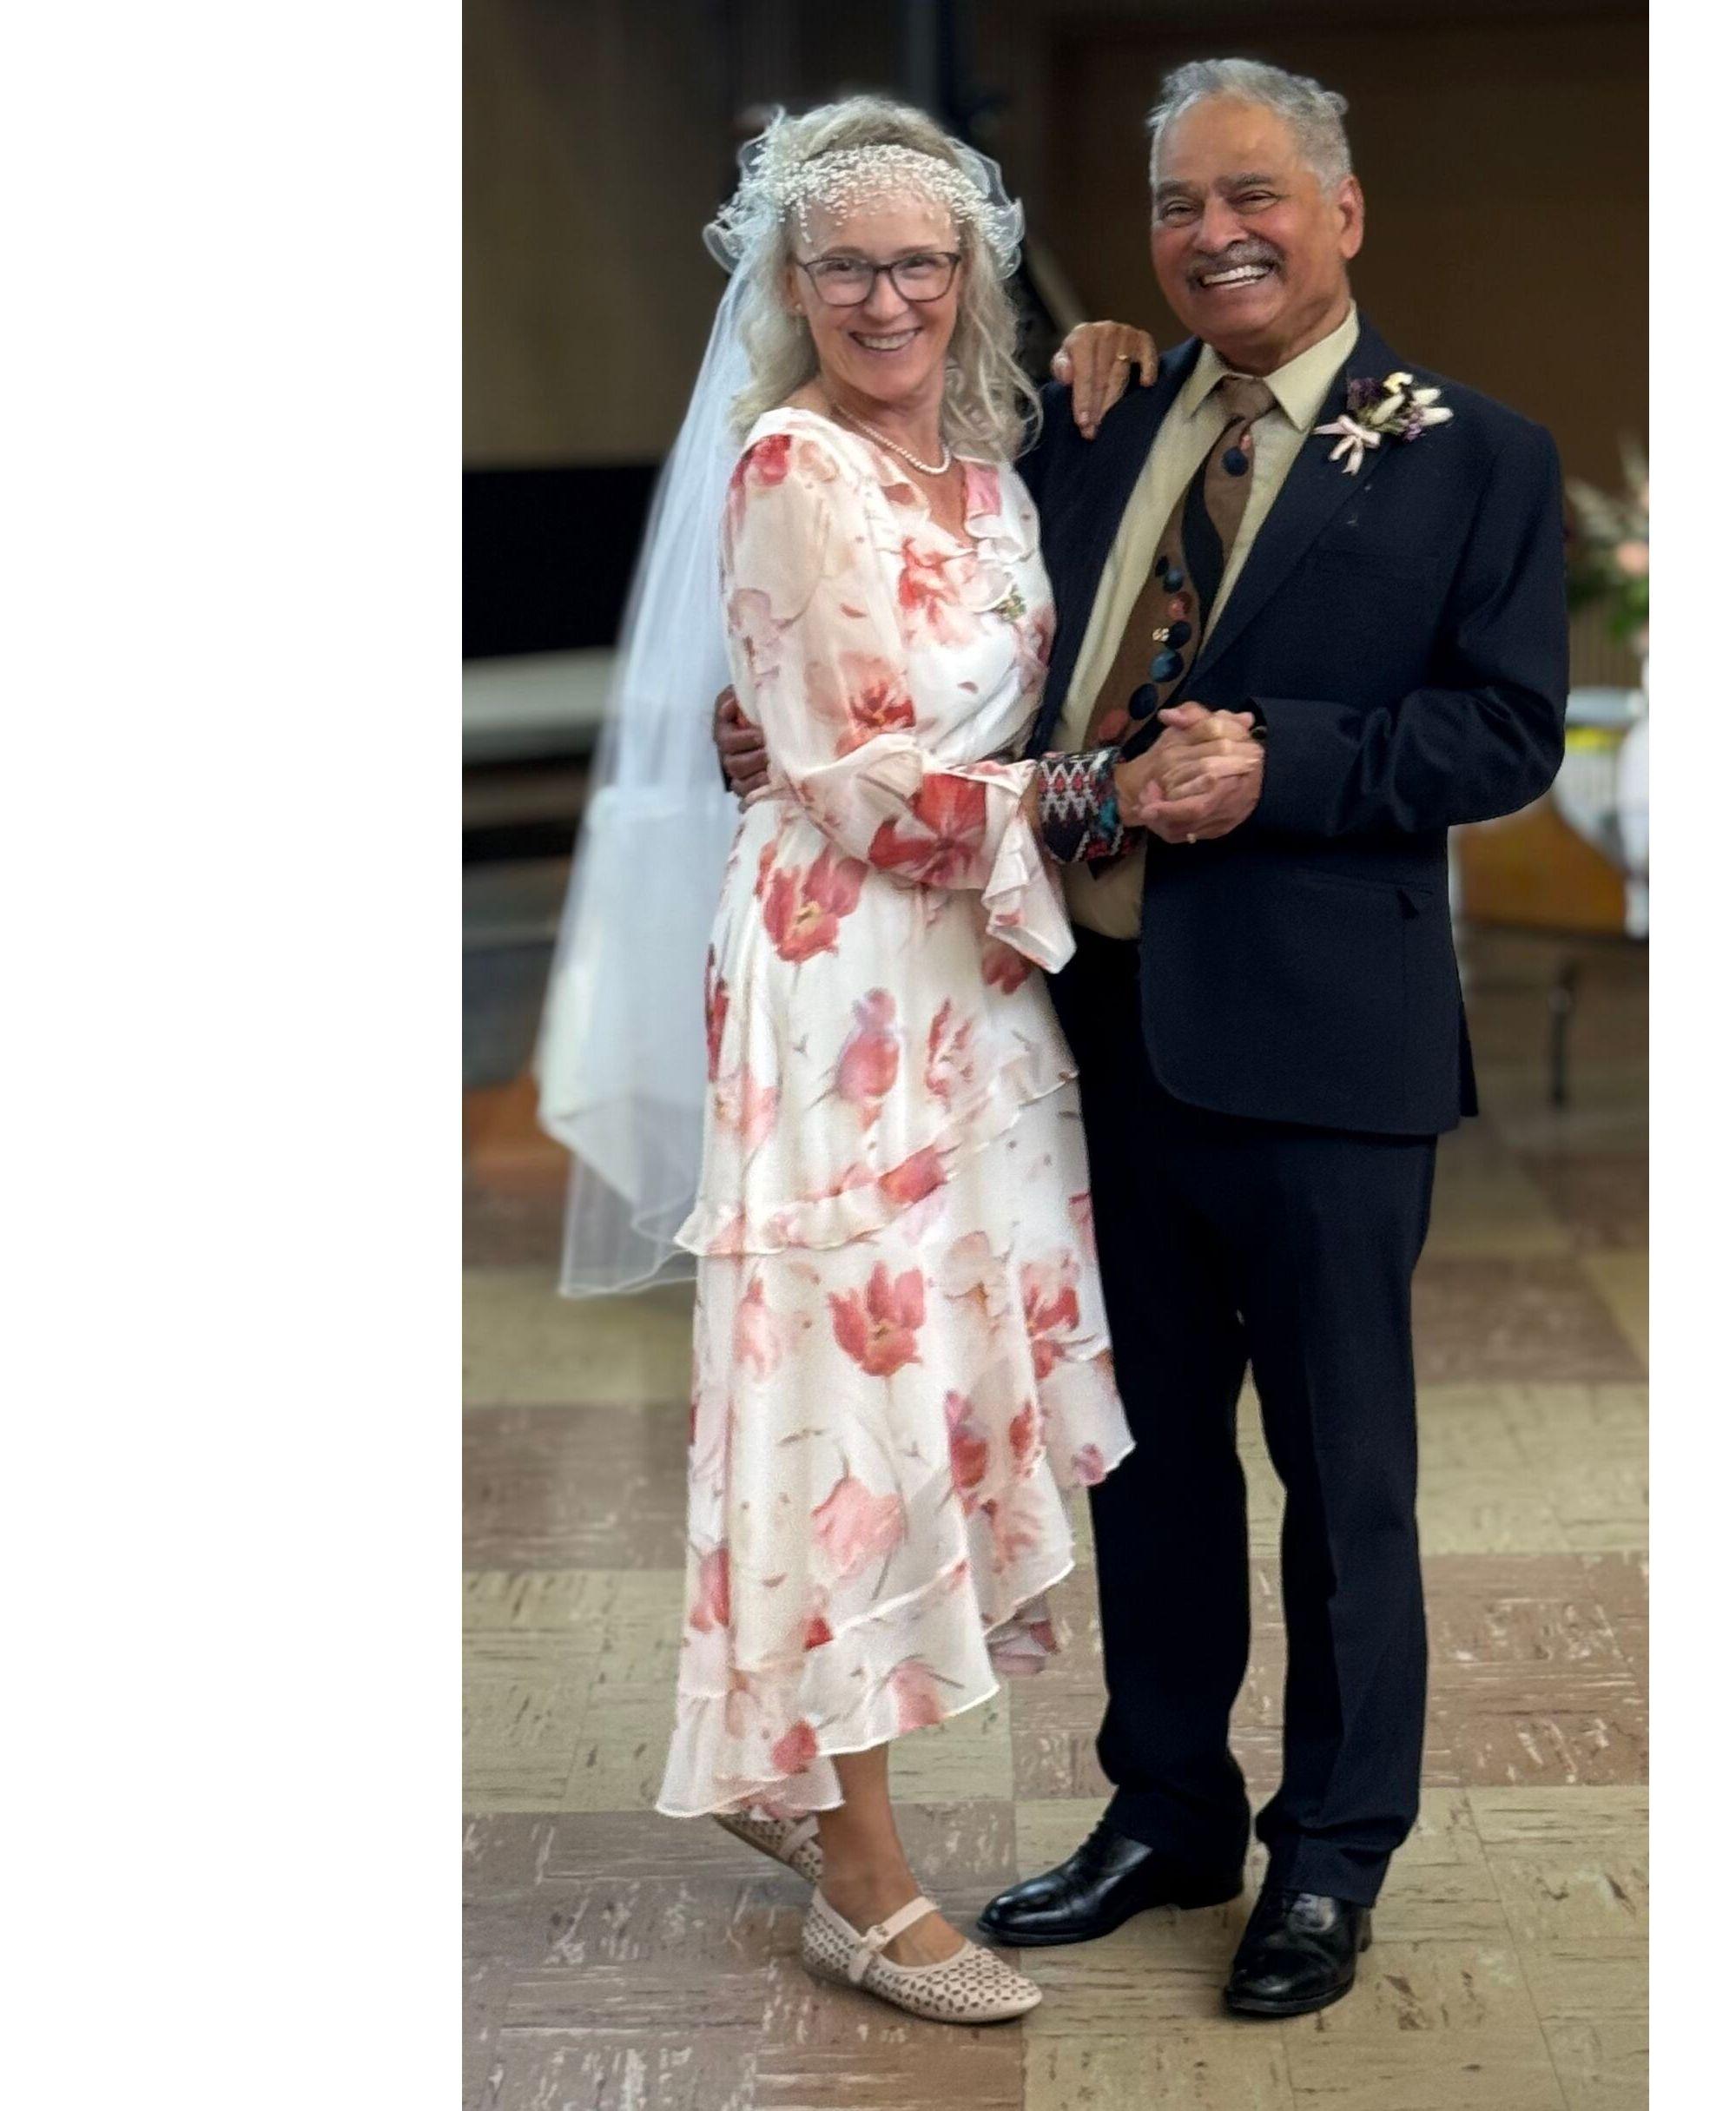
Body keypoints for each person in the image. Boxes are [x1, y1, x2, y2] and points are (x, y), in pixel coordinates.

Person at [718, 58, 1568, 2019]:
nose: (1215, 234)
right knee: (1145, 1461)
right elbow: (938, 664)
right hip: (1085, 1032)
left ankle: (1330, 1856)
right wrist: (772, 734)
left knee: (1344, 1478)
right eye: (1179, 204)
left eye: (1255, 195)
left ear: (1345, 210)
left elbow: (1504, 733)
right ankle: (1162, 1805)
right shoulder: (1085, 423)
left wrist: (1291, 761)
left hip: (1327, 1048)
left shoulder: (1475, 457)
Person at [540, 96, 1234, 2027]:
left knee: (935, 1394)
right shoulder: (792, 465)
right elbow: (847, 774)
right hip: (841, 981)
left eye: (917, 260)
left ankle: (797, 1762)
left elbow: (1022, 681)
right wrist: (1096, 795)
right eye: (841, 262)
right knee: (836, 1405)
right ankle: (856, 1864)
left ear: (969, 277)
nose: (882, 295)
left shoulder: (998, 483)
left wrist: (1066, 777)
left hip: (974, 990)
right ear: (788, 283)